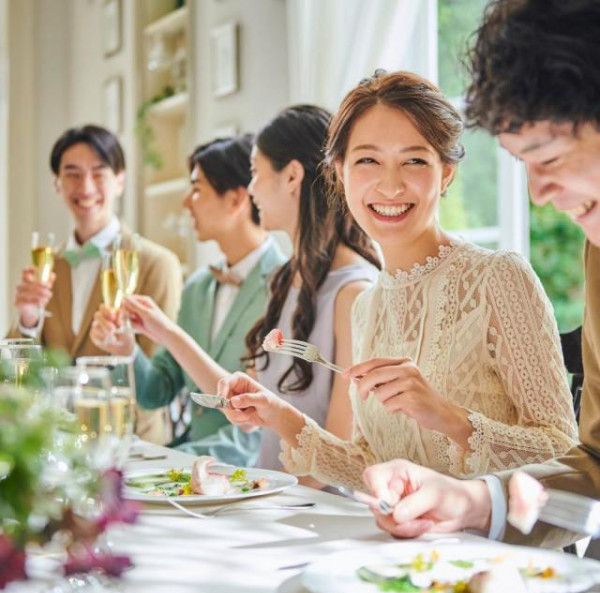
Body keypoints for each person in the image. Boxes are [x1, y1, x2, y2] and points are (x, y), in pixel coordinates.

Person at [218, 71, 577, 489]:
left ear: (445, 173)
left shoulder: (498, 278)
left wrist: (449, 419)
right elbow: (370, 466)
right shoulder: (367, 307)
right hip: (405, 546)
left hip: (491, 549)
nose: (390, 185)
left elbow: (564, 453)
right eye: (368, 160)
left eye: (415, 160)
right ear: (339, 173)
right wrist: (281, 417)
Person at [361, 0, 600, 549]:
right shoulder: (597, 250)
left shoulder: (496, 277)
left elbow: (555, 438)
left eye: (550, 157)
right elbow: (593, 462)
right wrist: (471, 500)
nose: (538, 195)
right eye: (524, 165)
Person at [94, 106, 380, 473]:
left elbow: (343, 462)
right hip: (271, 497)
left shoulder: (353, 292)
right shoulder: (285, 280)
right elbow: (246, 409)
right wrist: (163, 332)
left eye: (257, 174)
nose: (252, 190)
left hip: (301, 508)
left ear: (291, 177)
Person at [91, 135, 287, 465]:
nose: (186, 202)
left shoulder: (285, 288)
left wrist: (164, 460)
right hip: (191, 473)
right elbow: (157, 392)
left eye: (197, 189)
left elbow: (256, 435)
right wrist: (127, 349)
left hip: (251, 476)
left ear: (236, 199)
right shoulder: (197, 287)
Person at [7, 124, 182, 444]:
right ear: (56, 184)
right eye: (72, 174)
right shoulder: (48, 264)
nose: (85, 187)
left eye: (98, 173)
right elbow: (15, 377)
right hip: (56, 445)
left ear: (120, 180)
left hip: (134, 447)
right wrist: (28, 321)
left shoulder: (156, 265)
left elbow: (159, 381)